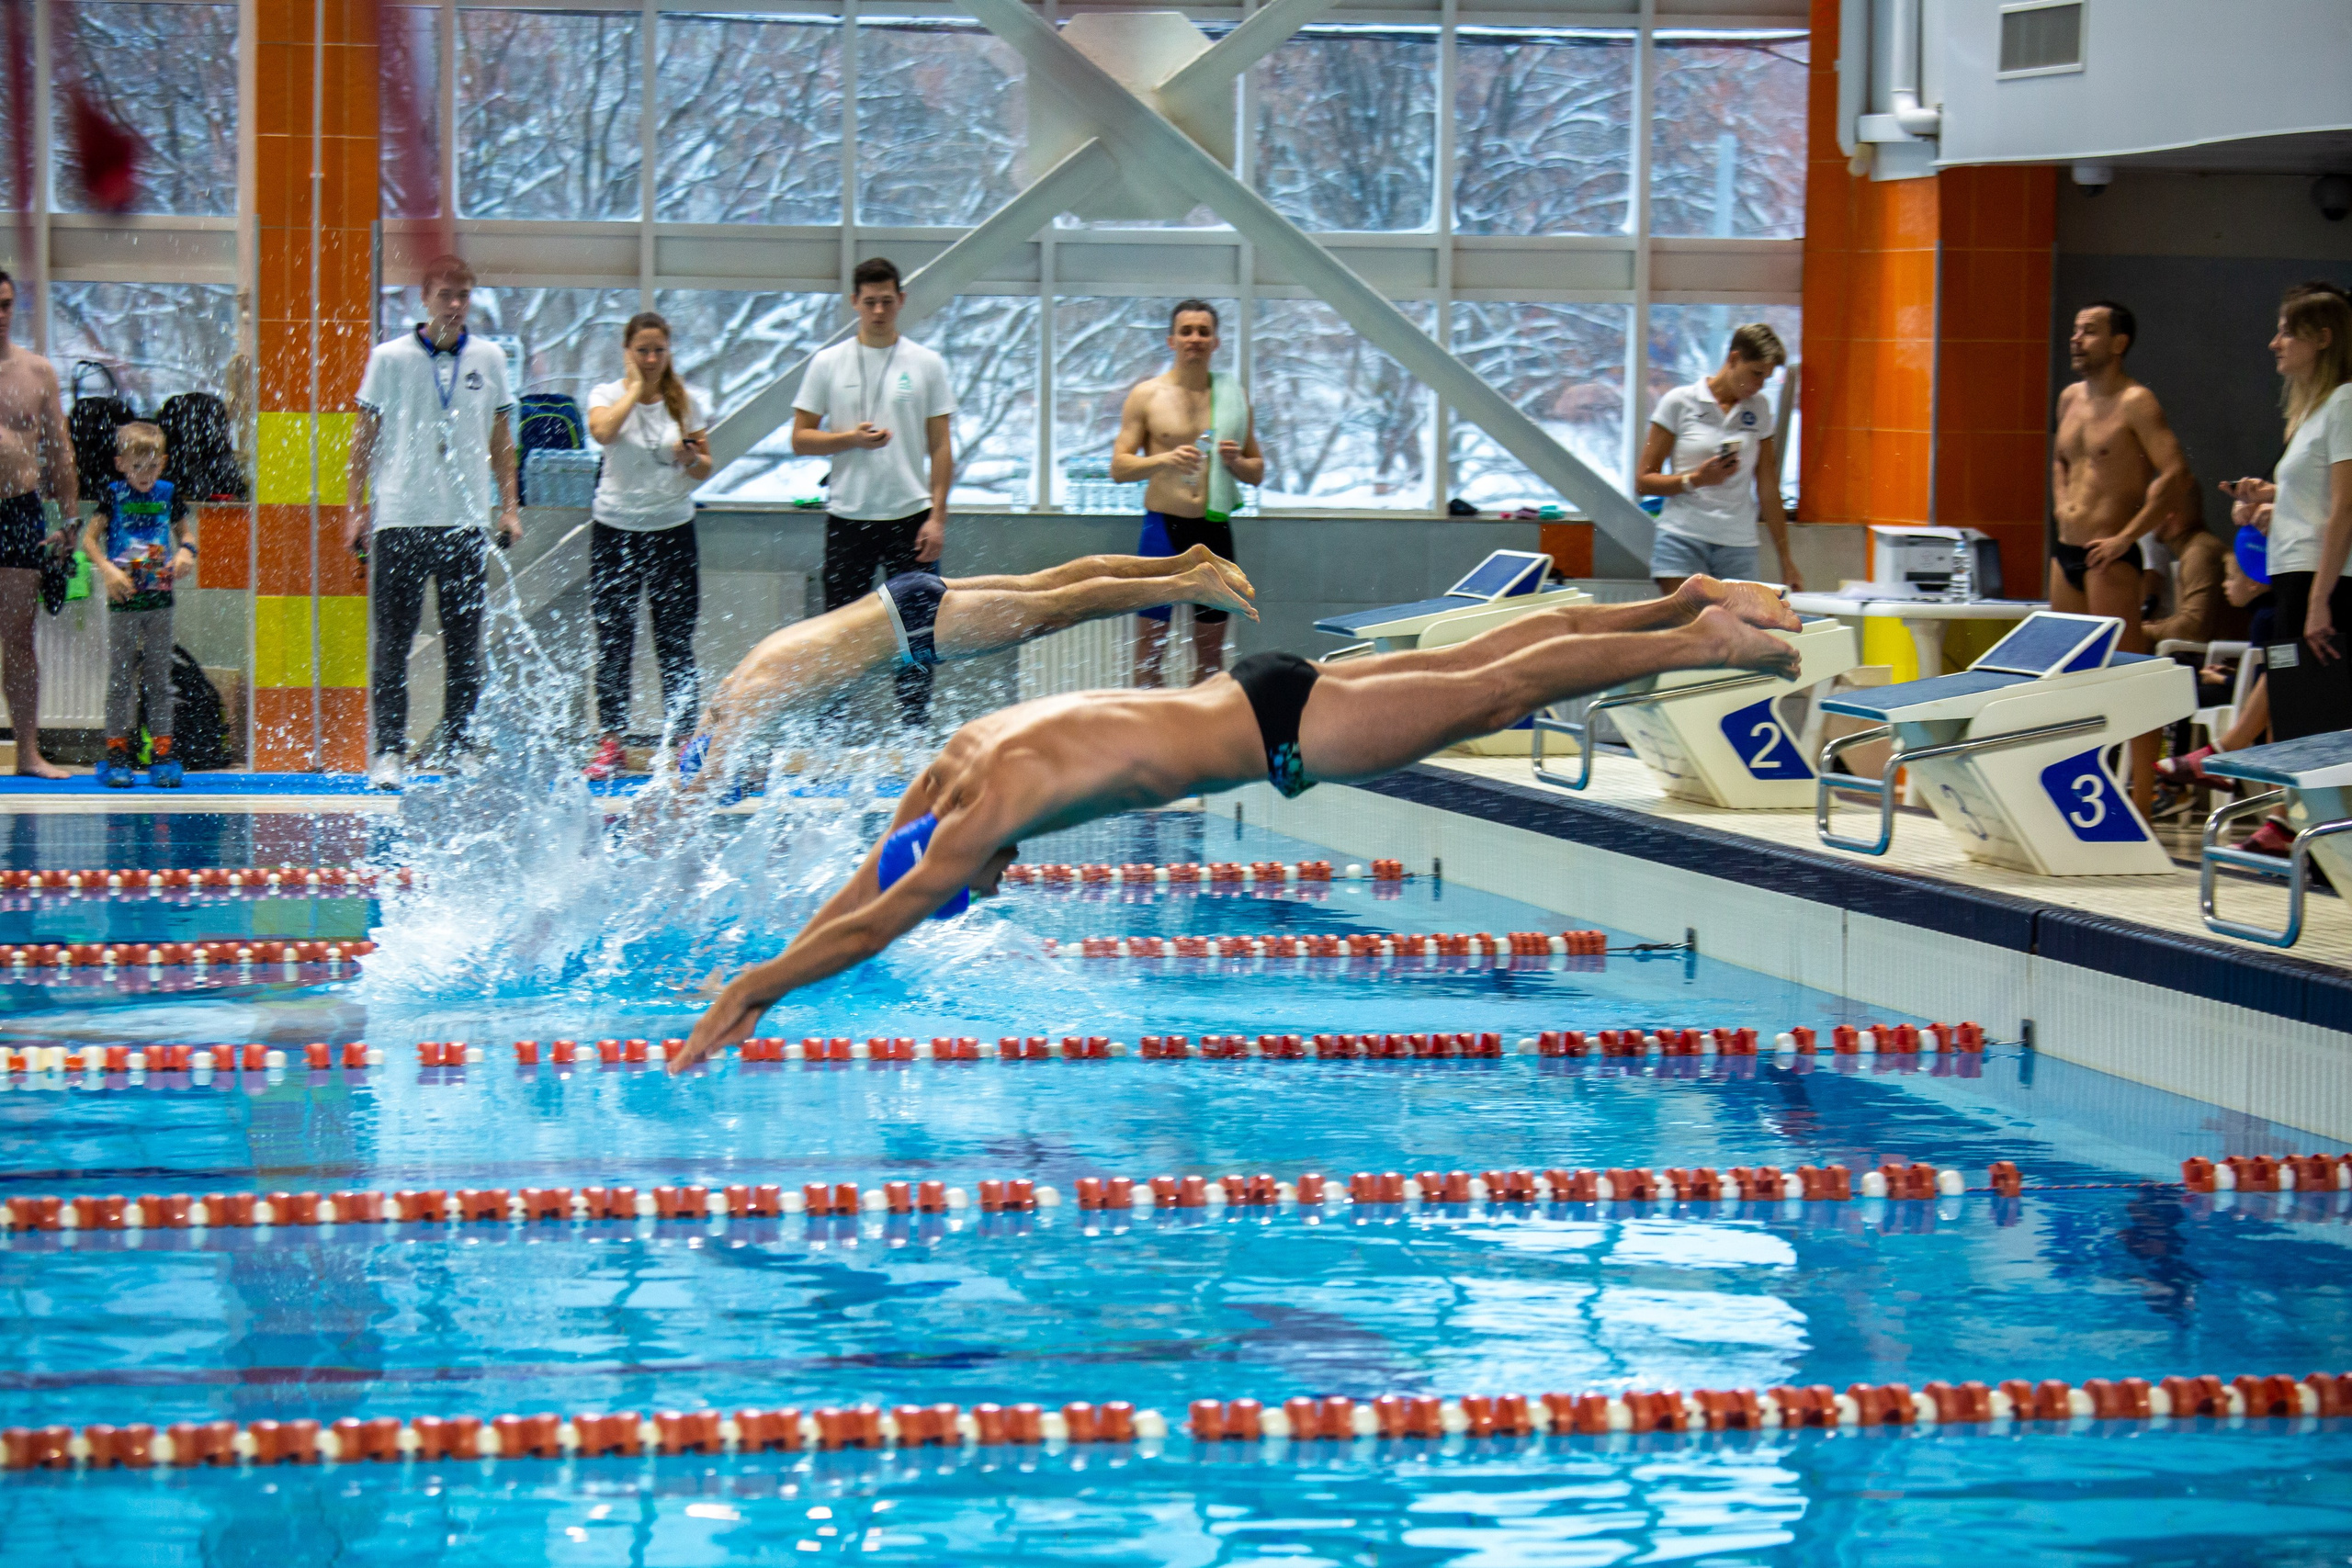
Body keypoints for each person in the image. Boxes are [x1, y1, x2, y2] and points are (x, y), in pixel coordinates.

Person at [671, 576, 1802, 1066]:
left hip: (1279, 733)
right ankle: (1674, 605)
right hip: (1257, 690)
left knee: (1498, 691)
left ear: (966, 855)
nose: (995, 884)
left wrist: (750, 992)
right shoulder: (955, 768)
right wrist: (779, 954)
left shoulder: (982, 817)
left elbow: (882, 919)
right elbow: (871, 884)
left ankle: (1701, 642)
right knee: (1477, 659)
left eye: (979, 881)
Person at [670, 547, 1257, 807]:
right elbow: (707, 751)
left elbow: (700, 791)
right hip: (901, 597)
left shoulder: (744, 711)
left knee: (1059, 609)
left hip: (912, 628)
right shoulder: (731, 692)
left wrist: (661, 819)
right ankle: (1182, 562)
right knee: (1045, 583)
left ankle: (1184, 586)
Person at [349, 254, 523, 789]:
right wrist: (355, 507)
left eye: (463, 295)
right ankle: (389, 752)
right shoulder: (390, 358)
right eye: (445, 294)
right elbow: (363, 437)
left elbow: (501, 441)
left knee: (464, 643)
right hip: (399, 518)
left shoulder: (490, 358)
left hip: (464, 522)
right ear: (423, 297)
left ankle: (459, 743)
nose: (454, 304)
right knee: (393, 644)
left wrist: (510, 507)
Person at [793, 258, 954, 728]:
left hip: (911, 516)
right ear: (854, 303)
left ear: (901, 301)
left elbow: (942, 446)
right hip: (849, 516)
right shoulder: (828, 363)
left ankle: (914, 730)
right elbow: (800, 438)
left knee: (919, 631)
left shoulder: (926, 364)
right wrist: (849, 439)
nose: (879, 310)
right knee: (839, 632)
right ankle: (831, 732)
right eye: (870, 302)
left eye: (887, 301)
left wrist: (938, 517)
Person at [2049, 300, 2189, 810]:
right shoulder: (2068, 399)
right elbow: (2061, 458)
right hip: (2066, 550)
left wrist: (2128, 538)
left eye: (2089, 331)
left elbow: (2175, 475)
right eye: (2075, 329)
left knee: (2128, 675)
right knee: (2066, 675)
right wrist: (2061, 501)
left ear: (2118, 342)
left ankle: (2145, 795)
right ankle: (2073, 783)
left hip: (2109, 556)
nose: (2076, 338)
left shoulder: (2138, 403)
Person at [2217, 286, 2352, 744]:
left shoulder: (2345, 404)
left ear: (2323, 339)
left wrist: (2319, 601)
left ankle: (2229, 753)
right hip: (2295, 571)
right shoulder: (2313, 411)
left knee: (2309, 723)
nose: (2275, 344)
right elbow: (2318, 492)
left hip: (2320, 577)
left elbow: (2345, 507)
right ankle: (2281, 812)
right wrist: (2271, 493)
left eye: (2286, 333)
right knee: (2295, 719)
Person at [582, 311, 713, 780]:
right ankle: (611, 741)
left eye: (659, 350)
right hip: (615, 530)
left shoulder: (686, 403)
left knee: (675, 640)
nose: (652, 358)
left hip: (672, 531)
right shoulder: (607, 396)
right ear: (628, 352)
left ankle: (682, 740)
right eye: (643, 350)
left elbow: (705, 467)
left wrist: (691, 456)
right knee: (614, 640)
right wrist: (636, 389)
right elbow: (602, 433)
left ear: (669, 351)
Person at [1111, 299, 1265, 686]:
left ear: (1215, 342)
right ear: (1171, 340)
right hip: (1162, 530)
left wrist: (1235, 463)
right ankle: (1150, 741)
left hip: (1213, 532)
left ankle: (1199, 742)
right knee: (1149, 653)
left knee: (1212, 656)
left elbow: (1257, 471)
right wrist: (1162, 461)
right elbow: (1119, 467)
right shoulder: (1147, 395)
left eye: (1203, 331)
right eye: (1186, 331)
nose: (1194, 338)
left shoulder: (1233, 397)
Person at [1637, 322, 1801, 594]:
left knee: (1735, 634)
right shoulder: (1679, 402)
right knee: (1688, 632)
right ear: (1734, 359)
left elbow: (1768, 488)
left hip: (1738, 544)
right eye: (1756, 374)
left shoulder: (1759, 408)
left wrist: (1786, 560)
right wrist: (1696, 480)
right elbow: (1643, 481)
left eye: (1766, 379)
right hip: (1683, 538)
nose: (1760, 385)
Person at [79, 423, 195, 787]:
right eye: (137, 467)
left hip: (159, 599)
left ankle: (162, 753)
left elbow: (186, 534)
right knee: (120, 679)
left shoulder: (168, 494)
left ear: (162, 463)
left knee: (159, 678)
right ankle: (117, 753)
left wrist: (187, 552)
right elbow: (89, 540)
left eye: (152, 467)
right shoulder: (112, 496)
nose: (145, 476)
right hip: (124, 600)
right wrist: (107, 570)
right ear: (121, 463)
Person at [0, 269, 78, 779]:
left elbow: (60, 450)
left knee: (18, 635)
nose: (0, 313)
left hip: (17, 510)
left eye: (6, 303)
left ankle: (27, 753)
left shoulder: (37, 372)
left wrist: (70, 518)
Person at [2138, 483, 2223, 649]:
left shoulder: (2199, 553)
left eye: (2151, 508)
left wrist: (2141, 629)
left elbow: (2193, 628)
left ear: (2169, 514)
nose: (2145, 516)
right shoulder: (2198, 549)